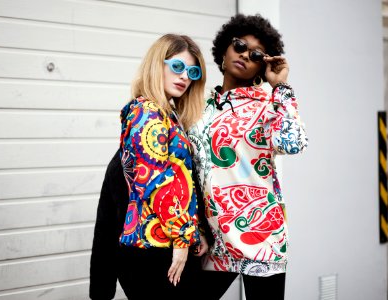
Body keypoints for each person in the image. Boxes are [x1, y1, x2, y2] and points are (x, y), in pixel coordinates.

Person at [188, 14, 309, 300]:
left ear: (262, 65)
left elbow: (294, 143)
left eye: (256, 54)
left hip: (261, 238)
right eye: (239, 45)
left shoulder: (268, 106)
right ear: (225, 49)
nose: (245, 54)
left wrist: (281, 88)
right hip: (213, 240)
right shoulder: (200, 107)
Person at [90, 33, 209, 300]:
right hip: (150, 247)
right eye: (177, 67)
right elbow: (154, 181)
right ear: (158, 64)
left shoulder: (168, 114)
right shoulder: (146, 111)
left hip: (164, 242)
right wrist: (182, 238)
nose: (185, 77)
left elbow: (182, 184)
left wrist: (193, 231)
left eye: (192, 71)